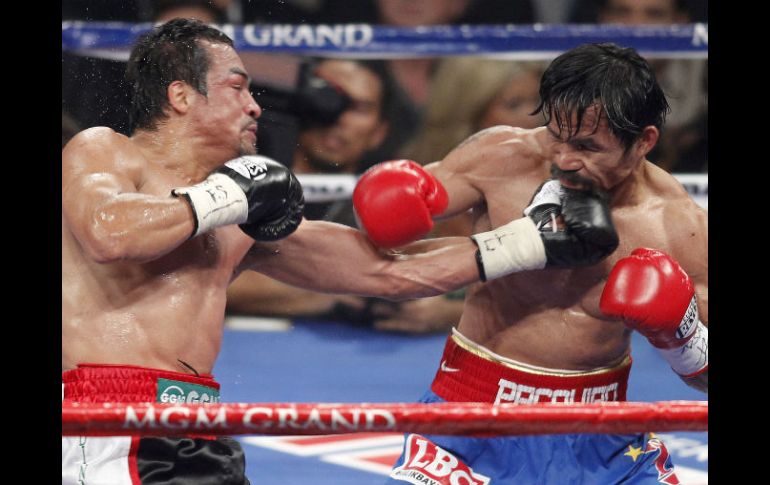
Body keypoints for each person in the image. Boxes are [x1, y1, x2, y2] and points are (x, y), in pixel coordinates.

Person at [62, 19, 617, 484]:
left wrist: (525, 241)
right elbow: (110, 233)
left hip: (197, 427)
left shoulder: (238, 215)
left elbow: (384, 273)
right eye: (237, 88)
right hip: (108, 420)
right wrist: (227, 195)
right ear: (181, 95)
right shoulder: (106, 151)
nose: (255, 107)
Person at [350, 42, 707, 484]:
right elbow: (387, 219)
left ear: (643, 142)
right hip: (471, 422)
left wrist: (684, 340)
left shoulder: (679, 229)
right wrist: (385, 204)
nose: (564, 159)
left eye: (587, 146)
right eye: (556, 134)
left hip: (603, 442)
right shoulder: (502, 158)